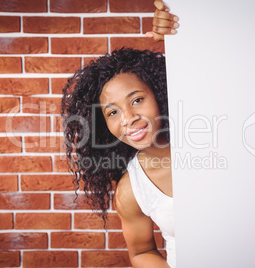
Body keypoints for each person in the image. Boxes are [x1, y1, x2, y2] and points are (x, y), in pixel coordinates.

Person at [61, 2, 179, 268]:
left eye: (137, 100)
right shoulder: (131, 190)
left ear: (160, 95)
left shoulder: (210, 151)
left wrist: (185, 33)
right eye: (113, 113)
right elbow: (141, 253)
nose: (128, 118)